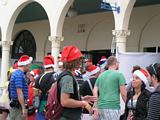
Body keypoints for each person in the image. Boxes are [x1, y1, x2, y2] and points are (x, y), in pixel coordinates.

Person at [59, 45, 95, 120]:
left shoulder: (67, 75)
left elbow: (68, 98)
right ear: (73, 61)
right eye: (79, 59)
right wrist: (83, 103)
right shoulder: (68, 78)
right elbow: (65, 101)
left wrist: (82, 99)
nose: (80, 62)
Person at [93, 56, 127, 120]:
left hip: (101, 107)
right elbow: (123, 93)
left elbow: (95, 89)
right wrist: (127, 104)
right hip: (112, 106)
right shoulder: (119, 75)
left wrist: (96, 104)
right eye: (118, 62)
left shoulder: (101, 75)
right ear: (115, 63)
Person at [9, 55, 32, 120]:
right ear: (25, 65)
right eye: (29, 65)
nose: (30, 66)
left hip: (17, 105)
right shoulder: (19, 75)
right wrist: (23, 108)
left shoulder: (19, 74)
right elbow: (19, 92)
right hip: (18, 106)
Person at [34, 55, 56, 120]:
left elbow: (35, 93)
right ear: (52, 65)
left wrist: (36, 103)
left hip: (42, 104)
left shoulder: (39, 77)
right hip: (54, 105)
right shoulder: (58, 76)